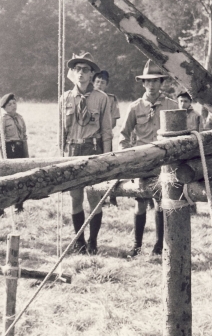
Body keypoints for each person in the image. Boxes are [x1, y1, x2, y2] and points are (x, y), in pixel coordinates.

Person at [120, 61, 179, 257]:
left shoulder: (171, 105)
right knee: (140, 203)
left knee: (162, 202)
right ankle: (136, 246)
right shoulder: (135, 107)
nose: (152, 85)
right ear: (143, 84)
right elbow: (123, 134)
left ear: (161, 82)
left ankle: (159, 246)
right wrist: (128, 158)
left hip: (163, 163)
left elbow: (181, 134)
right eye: (148, 81)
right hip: (141, 163)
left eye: (155, 81)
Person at [60, 52, 112, 254]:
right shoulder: (65, 98)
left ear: (92, 74)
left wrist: (107, 159)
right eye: (77, 69)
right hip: (73, 149)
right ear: (73, 73)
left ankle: (93, 241)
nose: (80, 73)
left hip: (93, 149)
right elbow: (61, 133)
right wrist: (61, 157)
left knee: (94, 197)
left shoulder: (101, 98)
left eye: (85, 70)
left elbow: (107, 131)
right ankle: (79, 241)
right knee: (75, 197)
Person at [0, 93, 28, 216]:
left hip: (20, 148)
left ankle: (19, 206)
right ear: (4, 107)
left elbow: (24, 137)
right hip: (10, 148)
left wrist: (26, 155)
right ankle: (1, 208)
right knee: (9, 179)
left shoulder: (20, 118)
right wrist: (3, 155)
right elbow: (0, 139)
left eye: (14, 103)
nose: (13, 106)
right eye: (9, 104)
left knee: (21, 178)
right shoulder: (3, 119)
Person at [92, 70, 120, 206]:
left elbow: (113, 121)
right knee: (96, 168)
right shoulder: (90, 97)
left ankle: (112, 196)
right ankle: (99, 197)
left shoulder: (111, 99)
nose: (99, 84)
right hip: (93, 140)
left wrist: (105, 130)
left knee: (110, 167)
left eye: (102, 82)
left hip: (106, 138)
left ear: (107, 85)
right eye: (97, 81)